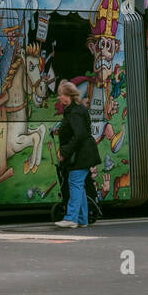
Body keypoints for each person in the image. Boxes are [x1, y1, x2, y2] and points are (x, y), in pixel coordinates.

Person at [56, 80, 100, 228]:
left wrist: (64, 152)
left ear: (68, 96)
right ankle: (82, 219)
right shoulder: (75, 110)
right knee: (78, 185)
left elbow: (79, 135)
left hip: (81, 155)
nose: (59, 97)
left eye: (61, 94)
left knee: (74, 183)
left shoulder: (75, 112)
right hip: (83, 154)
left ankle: (71, 218)